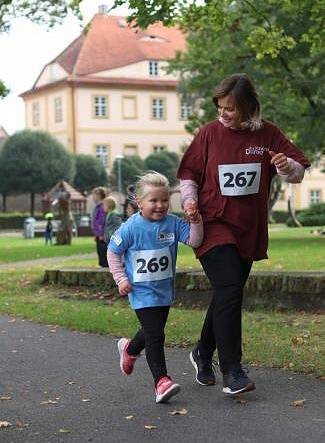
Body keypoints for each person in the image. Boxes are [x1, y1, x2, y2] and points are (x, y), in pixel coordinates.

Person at [177, 73, 310, 395]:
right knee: (230, 288)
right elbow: (188, 174)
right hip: (212, 223)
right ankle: (233, 370)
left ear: (250, 108)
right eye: (220, 107)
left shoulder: (268, 134)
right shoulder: (209, 133)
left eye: (231, 109)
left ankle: (202, 352)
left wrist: (285, 165)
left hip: (248, 228)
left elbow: (298, 171)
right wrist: (190, 201)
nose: (223, 113)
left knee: (228, 291)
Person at [107, 172, 203, 403]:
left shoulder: (172, 223)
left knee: (152, 330)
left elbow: (194, 241)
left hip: (163, 291)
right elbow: (113, 252)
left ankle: (130, 349)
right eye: (153, 201)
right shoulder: (131, 227)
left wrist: (197, 222)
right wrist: (120, 279)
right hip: (140, 293)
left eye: (165, 200)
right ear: (139, 202)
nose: (160, 206)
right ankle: (161, 381)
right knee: (156, 334)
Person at [91, 187, 108, 267]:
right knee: (99, 250)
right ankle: (101, 264)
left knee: (102, 250)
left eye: (94, 195)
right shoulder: (97, 206)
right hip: (98, 233)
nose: (93, 197)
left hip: (101, 234)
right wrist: (95, 234)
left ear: (99, 195)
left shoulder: (102, 206)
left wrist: (101, 233)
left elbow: (102, 220)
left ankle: (104, 265)